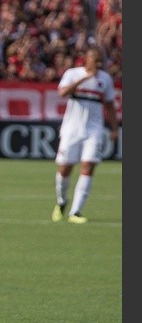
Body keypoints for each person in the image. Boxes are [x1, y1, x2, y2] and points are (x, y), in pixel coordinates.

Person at [52, 45, 119, 224]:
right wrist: (83, 79)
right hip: (71, 129)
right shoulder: (73, 74)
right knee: (64, 169)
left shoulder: (105, 79)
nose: (98, 64)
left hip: (94, 129)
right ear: (86, 59)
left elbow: (110, 105)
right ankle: (61, 201)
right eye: (95, 60)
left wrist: (114, 128)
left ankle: (76, 211)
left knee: (88, 166)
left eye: (100, 61)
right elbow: (62, 93)